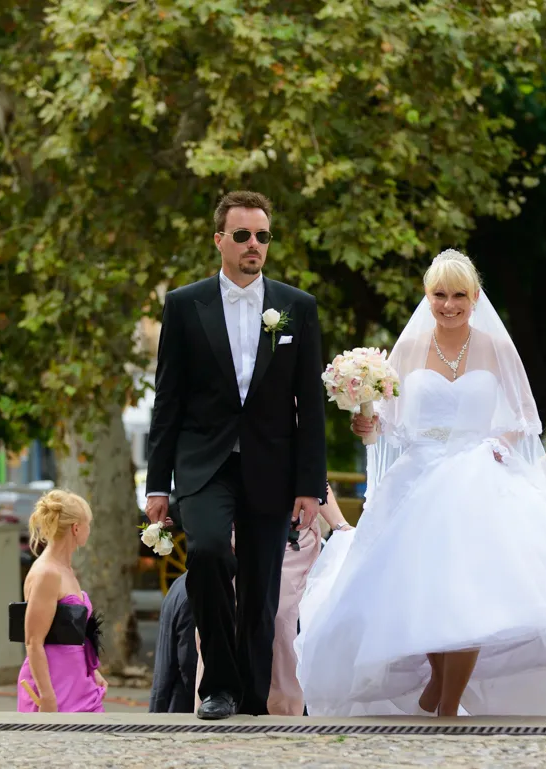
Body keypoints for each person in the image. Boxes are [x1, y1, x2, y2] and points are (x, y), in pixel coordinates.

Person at [295, 250, 546, 718]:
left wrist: (494, 446)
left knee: (470, 591)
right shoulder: (409, 349)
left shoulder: (494, 347)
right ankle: (438, 685)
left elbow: (523, 420)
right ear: (427, 297)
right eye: (439, 295)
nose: (448, 305)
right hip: (419, 477)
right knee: (423, 586)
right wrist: (368, 424)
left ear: (475, 297)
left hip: (474, 476)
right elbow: (390, 421)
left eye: (458, 295)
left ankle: (447, 704)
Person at [143, 190, 328, 719]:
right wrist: (158, 485)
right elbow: (167, 401)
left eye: (263, 236)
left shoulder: (298, 308)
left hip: (273, 468)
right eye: (243, 235)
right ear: (219, 240)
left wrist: (309, 487)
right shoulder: (184, 305)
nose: (254, 245)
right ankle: (217, 686)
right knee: (206, 553)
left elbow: (309, 407)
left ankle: (249, 698)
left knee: (261, 591)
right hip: (203, 464)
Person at [190, 483, 352, 716]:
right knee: (221, 620)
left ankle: (281, 712)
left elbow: (313, 470)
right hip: (226, 533)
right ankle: (217, 699)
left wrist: (340, 526)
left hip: (286, 536)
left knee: (280, 622)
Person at [17, 489, 107, 713]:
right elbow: (33, 641)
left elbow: (68, 631)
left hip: (77, 680)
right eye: (88, 524)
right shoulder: (48, 573)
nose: (89, 530)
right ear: (76, 528)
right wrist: (47, 696)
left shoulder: (63, 569)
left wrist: (92, 670)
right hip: (56, 685)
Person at [149, 571, 197, 713]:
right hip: (182, 704)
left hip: (167, 695)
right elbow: (189, 661)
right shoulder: (196, 592)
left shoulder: (181, 582)